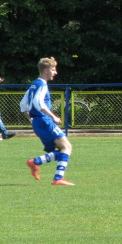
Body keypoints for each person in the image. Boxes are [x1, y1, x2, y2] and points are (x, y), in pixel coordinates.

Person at [20, 57, 74, 186]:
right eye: (53, 69)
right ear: (45, 70)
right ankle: (57, 178)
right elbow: (38, 102)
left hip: (38, 122)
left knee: (62, 149)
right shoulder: (42, 84)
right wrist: (53, 117)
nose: (55, 72)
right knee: (67, 147)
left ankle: (36, 162)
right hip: (44, 121)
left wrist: (32, 119)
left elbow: (23, 104)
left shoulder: (34, 84)